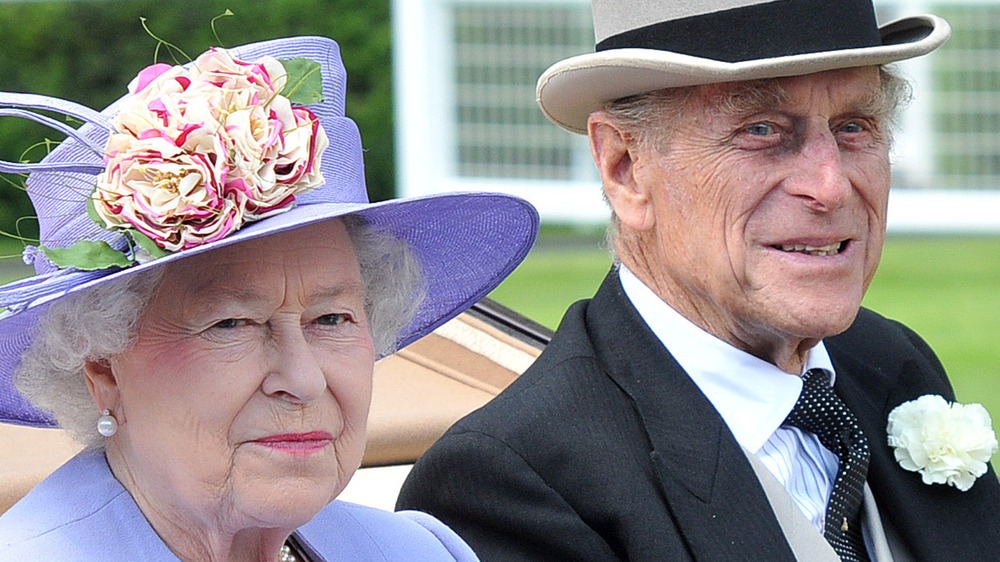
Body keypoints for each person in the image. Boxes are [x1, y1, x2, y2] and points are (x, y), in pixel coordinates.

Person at [397, 1, 1000, 560]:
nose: (831, 186)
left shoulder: (887, 363)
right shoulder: (515, 482)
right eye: (761, 130)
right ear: (625, 167)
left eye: (854, 126)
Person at [0, 36, 538, 560]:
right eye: (230, 324)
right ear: (104, 372)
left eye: (331, 318)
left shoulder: (419, 550)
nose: (303, 381)